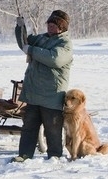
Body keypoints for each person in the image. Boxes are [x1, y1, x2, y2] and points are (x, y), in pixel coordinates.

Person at [11, 10, 73, 162]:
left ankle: (55, 156)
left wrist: (31, 50)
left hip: (52, 95)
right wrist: (21, 27)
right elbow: (24, 42)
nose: (50, 27)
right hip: (34, 94)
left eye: (54, 25)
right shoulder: (42, 39)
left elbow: (55, 59)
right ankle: (24, 155)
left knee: (53, 129)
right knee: (29, 128)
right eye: (49, 24)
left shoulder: (65, 44)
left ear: (62, 27)